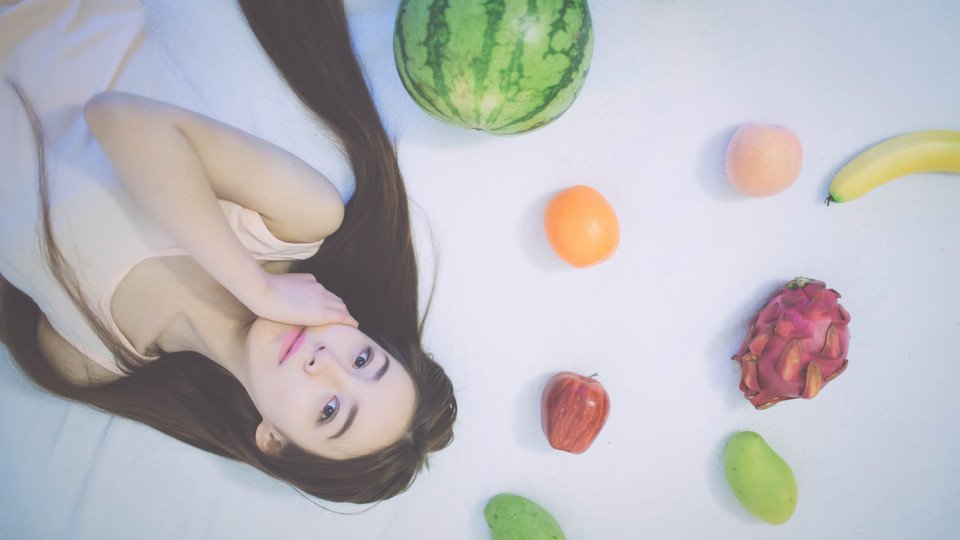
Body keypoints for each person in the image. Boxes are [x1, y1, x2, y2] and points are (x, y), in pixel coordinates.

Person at [0, 0, 456, 504]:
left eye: (329, 410)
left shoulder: (90, 357)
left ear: (273, 440)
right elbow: (118, 117)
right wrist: (258, 287)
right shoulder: (297, 222)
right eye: (364, 358)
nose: (325, 360)